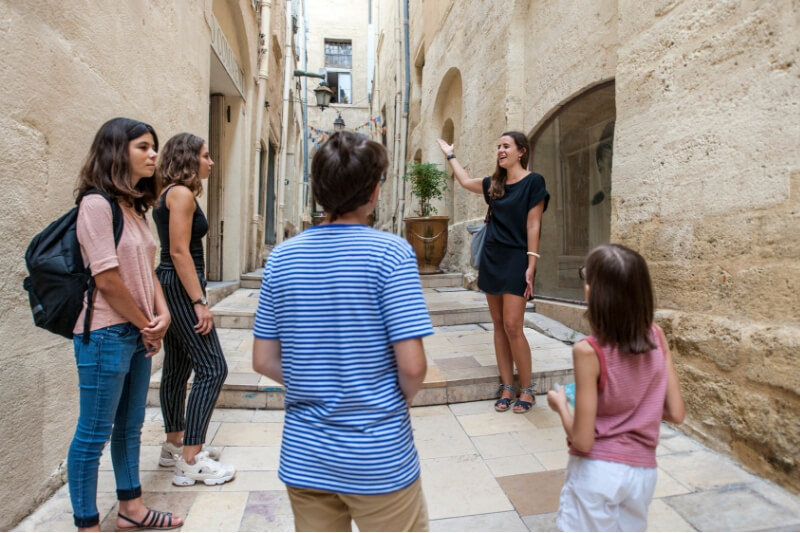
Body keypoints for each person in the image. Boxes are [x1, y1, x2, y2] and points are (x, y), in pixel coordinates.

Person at [252, 131, 432, 532]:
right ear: (373, 192)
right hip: (378, 455)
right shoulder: (392, 253)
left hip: (305, 456)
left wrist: (315, 381)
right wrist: (376, 396)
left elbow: (263, 360)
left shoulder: (280, 259)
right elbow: (414, 367)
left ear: (318, 190)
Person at [69, 117, 182, 531]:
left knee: (130, 427)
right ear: (118, 151)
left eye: (154, 146)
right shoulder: (95, 205)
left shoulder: (134, 207)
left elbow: (146, 268)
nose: (154, 154)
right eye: (143, 147)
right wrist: (145, 323)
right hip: (105, 333)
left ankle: (131, 509)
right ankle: (86, 523)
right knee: (93, 434)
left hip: (137, 333)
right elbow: (107, 280)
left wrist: (163, 313)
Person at [547, 244, 685, 531]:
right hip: (643, 473)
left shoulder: (589, 351)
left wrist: (561, 406)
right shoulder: (657, 335)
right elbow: (676, 412)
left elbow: (583, 441)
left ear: (593, 292)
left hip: (597, 473)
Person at [437, 133, 549, 413]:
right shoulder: (494, 184)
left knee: (513, 325)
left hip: (516, 258)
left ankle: (527, 390)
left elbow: (533, 226)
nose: (500, 150)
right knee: (498, 325)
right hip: (492, 258)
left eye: (506, 146)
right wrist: (451, 155)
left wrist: (532, 264)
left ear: (521, 152)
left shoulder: (534, 182)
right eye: (498, 146)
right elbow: (464, 181)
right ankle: (507, 386)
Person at [152, 133, 235, 486]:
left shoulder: (168, 192)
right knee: (213, 368)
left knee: (177, 365)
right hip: (180, 284)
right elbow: (179, 251)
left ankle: (174, 444)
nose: (211, 162)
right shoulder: (181, 194)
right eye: (205, 155)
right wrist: (200, 301)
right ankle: (191, 459)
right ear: (188, 159)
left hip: (170, 283)